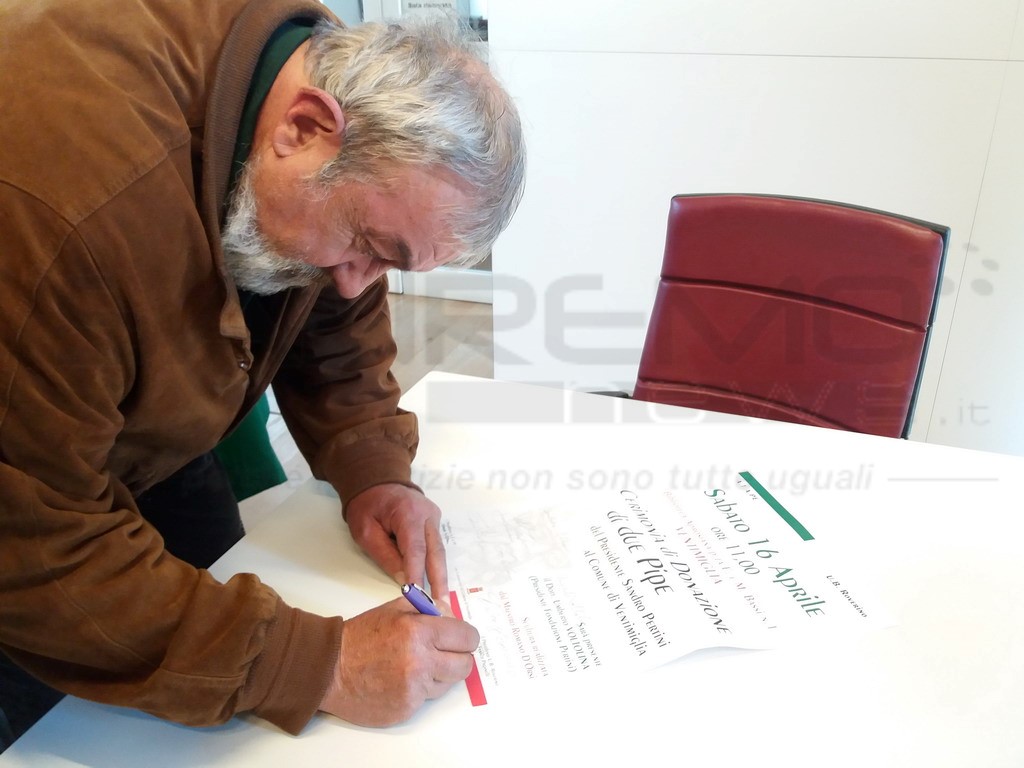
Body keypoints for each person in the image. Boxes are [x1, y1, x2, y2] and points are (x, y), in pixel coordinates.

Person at [0, 0, 524, 748]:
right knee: (66, 730)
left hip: (148, 431)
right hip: (30, 487)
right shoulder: (61, 212)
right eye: (369, 243)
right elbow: (35, 545)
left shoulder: (314, 81)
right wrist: (321, 664)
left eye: (389, 261)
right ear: (303, 127)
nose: (357, 283)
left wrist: (371, 465)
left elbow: (331, 311)